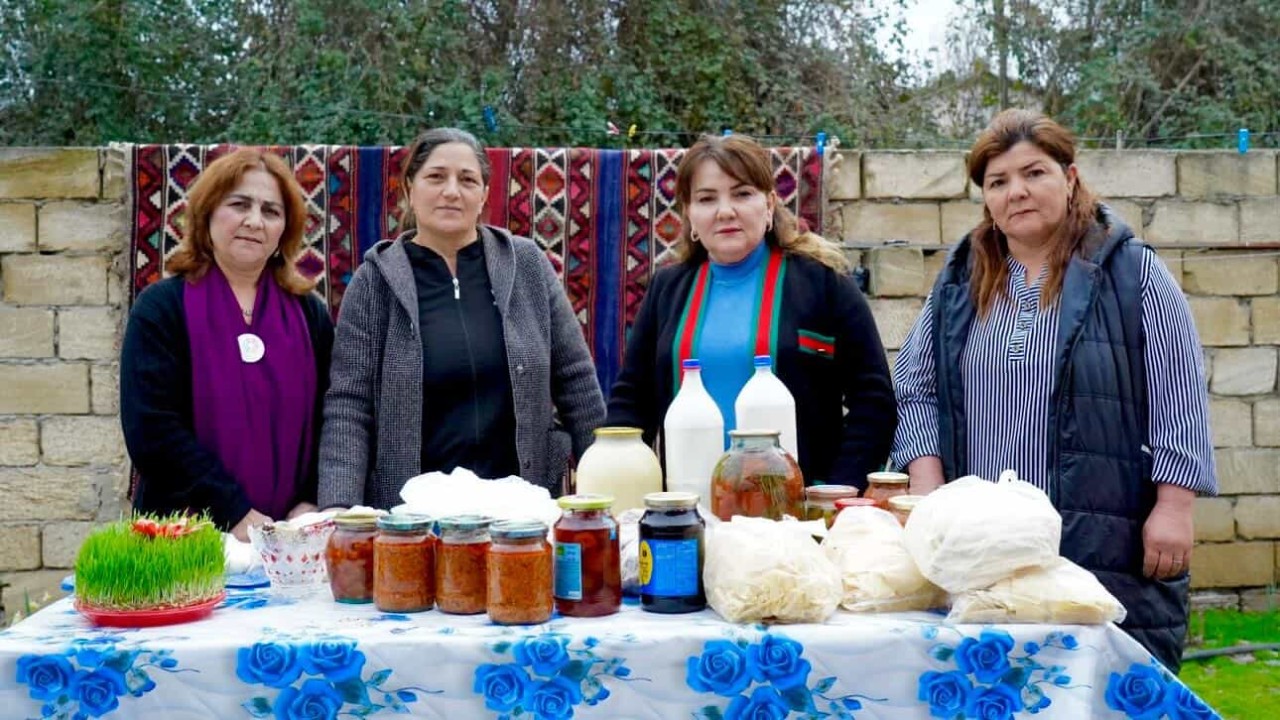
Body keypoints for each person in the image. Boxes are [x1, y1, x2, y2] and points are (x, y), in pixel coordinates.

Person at [892, 109, 1216, 671]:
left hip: (1098, 533)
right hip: (984, 546)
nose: (1016, 191)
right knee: (995, 690)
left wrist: (1174, 505)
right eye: (998, 182)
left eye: (1033, 173)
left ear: (1069, 178)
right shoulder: (960, 282)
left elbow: (1179, 387)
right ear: (987, 200)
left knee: (1094, 691)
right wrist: (928, 490)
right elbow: (916, 386)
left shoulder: (1132, 273)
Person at [318, 128, 605, 510]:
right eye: (436, 177)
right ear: (409, 189)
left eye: (467, 179)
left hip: (519, 518)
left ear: (484, 193)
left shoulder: (527, 266)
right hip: (412, 522)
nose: (452, 191)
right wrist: (340, 509)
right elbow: (349, 405)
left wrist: (608, 488)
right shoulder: (376, 281)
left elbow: (577, 383)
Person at [606, 134, 896, 487]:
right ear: (689, 214)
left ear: (770, 203)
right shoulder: (667, 290)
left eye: (742, 194)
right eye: (707, 198)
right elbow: (631, 400)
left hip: (799, 518)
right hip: (693, 514)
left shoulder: (824, 283)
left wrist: (835, 493)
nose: (725, 211)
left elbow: (873, 401)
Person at [121, 148, 334, 542]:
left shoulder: (310, 315)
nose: (255, 221)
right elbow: (151, 429)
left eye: (271, 211)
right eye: (239, 205)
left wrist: (310, 500)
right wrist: (233, 511)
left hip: (291, 539)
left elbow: (333, 418)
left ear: (285, 229)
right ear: (206, 214)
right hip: (183, 537)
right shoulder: (163, 308)